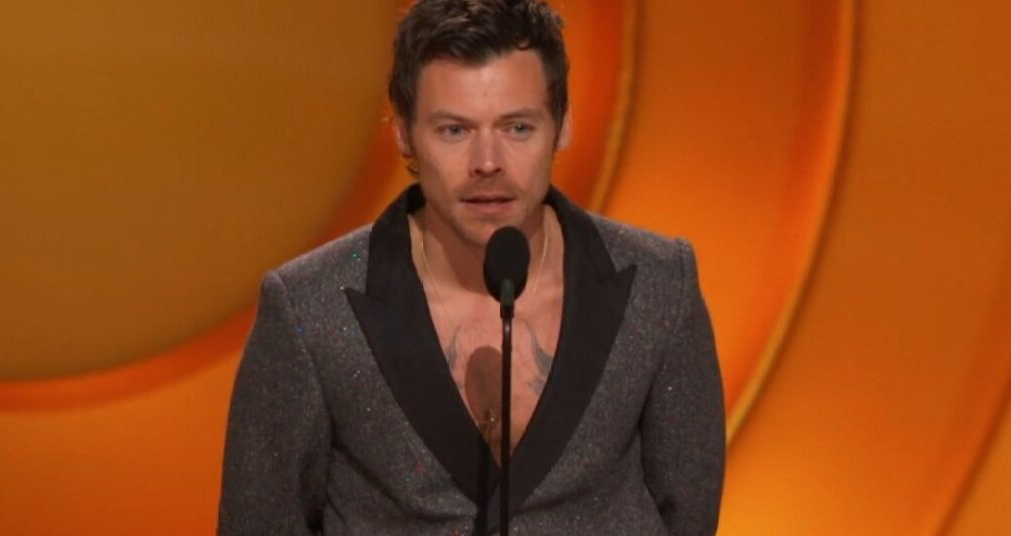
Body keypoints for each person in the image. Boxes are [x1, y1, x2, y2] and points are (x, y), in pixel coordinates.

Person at [218, 0, 725, 534]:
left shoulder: (660, 288)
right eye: (454, 131)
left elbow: (687, 516)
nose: (488, 162)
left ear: (562, 124)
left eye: (518, 128)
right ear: (404, 131)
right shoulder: (308, 308)